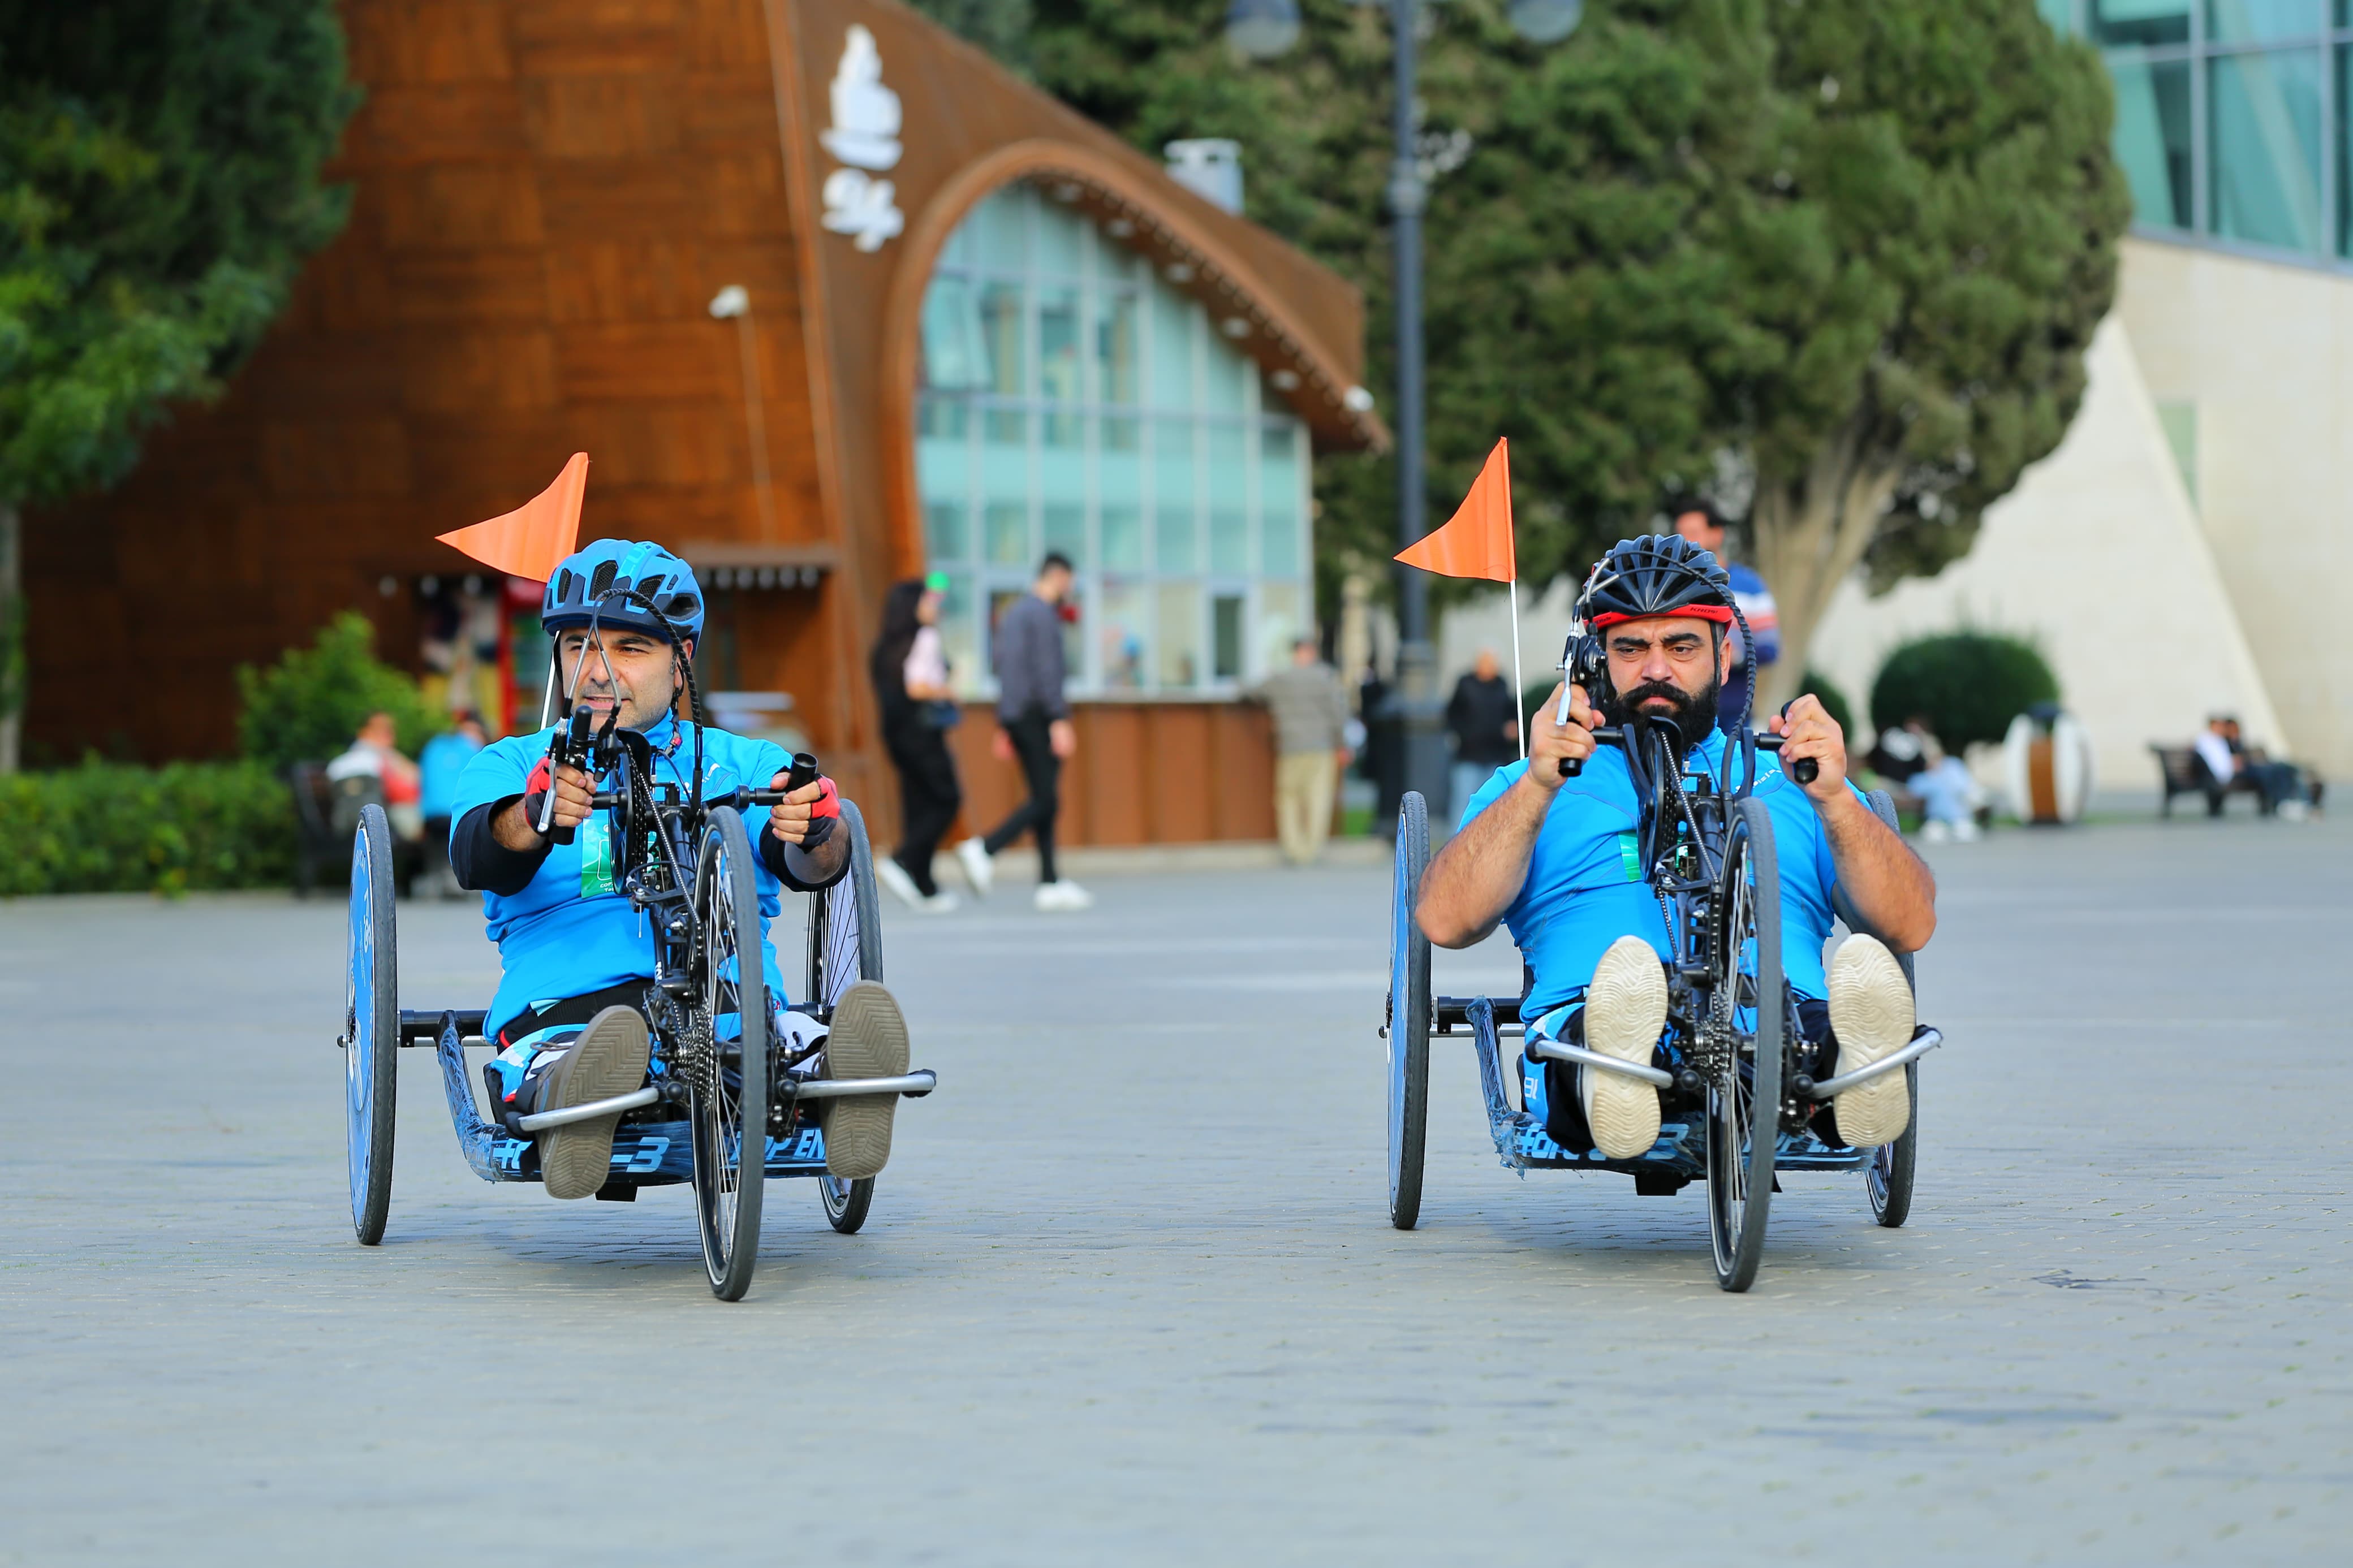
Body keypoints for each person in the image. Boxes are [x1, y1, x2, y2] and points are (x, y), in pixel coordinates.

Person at [1416, 534, 1936, 1161]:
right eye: (1630, 648)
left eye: (1681, 646)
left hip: (1775, 1026)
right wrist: (1536, 786)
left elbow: (1909, 925)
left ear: (1723, 657)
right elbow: (1445, 921)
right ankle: (1618, 1073)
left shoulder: (1793, 779)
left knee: (1803, 1035)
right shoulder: (1532, 783)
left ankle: (1850, 1066)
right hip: (1591, 1020)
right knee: (1600, 1033)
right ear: (1594, 661)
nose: (1656, 669)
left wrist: (1837, 802)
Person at [448, 539, 915, 1199]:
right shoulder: (509, 764)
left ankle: (842, 1080)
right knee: (565, 1055)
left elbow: (816, 862)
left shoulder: (741, 763)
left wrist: (814, 826)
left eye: (630, 649)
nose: (597, 670)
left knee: (791, 1039)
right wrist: (532, 814)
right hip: (567, 1011)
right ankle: (575, 1102)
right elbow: (476, 853)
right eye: (578, 645)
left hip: (730, 1010)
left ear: (680, 661)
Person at [959, 551, 1093, 912]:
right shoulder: (1043, 615)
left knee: (1044, 797)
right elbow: (1047, 671)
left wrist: (1006, 721)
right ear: (1059, 576)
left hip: (1020, 714)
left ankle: (1050, 881)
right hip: (1038, 714)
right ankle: (985, 848)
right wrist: (1058, 718)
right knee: (1046, 799)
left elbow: (1007, 669)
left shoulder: (1014, 613)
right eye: (1070, 581)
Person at [870, 574, 967, 912]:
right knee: (947, 799)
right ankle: (904, 860)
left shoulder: (884, 646)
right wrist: (947, 692)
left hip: (896, 735)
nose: (934, 607)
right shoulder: (925, 637)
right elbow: (917, 687)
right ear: (913, 606)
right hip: (923, 733)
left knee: (918, 803)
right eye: (929, 601)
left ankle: (924, 884)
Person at [1671, 502, 1778, 735]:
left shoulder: (1750, 586)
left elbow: (1769, 648)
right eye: (1680, 534)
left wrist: (1732, 656)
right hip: (1679, 711)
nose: (1685, 541)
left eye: (1693, 533)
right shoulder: (1669, 587)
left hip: (1732, 713)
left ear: (1717, 534)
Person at [1249, 635, 1352, 866]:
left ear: (1294, 653)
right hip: (1321, 746)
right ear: (1312, 653)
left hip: (1290, 745)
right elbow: (1338, 714)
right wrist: (1341, 744)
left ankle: (1293, 848)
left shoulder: (1281, 678)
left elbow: (1252, 692)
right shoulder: (1325, 678)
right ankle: (1312, 849)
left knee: (1288, 798)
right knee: (1318, 797)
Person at [1445, 648, 1519, 824]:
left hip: (1495, 755)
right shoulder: (1465, 685)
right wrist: (1462, 735)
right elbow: (1452, 715)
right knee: (1462, 802)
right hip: (1469, 755)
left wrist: (1511, 729)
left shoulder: (1502, 686)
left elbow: (1511, 715)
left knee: (1493, 801)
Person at [418, 712, 488, 897]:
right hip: (457, 814)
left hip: (430, 814)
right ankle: (459, 882)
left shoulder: (434, 746)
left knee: (437, 844)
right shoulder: (476, 751)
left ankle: (436, 880)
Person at [327, 710, 425, 842]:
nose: (388, 734)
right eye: (381, 729)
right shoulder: (376, 760)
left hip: (348, 823)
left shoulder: (341, 762)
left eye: (390, 729)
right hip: (383, 822)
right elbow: (404, 791)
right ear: (364, 732)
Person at [2199, 715, 2313, 820]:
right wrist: (2234, 763)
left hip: (2247, 768)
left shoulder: (2227, 741)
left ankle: (2289, 799)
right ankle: (2283, 802)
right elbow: (2223, 764)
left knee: (2281, 769)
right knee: (2269, 772)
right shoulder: (2210, 741)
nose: (2222, 729)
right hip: (2238, 772)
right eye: (2219, 726)